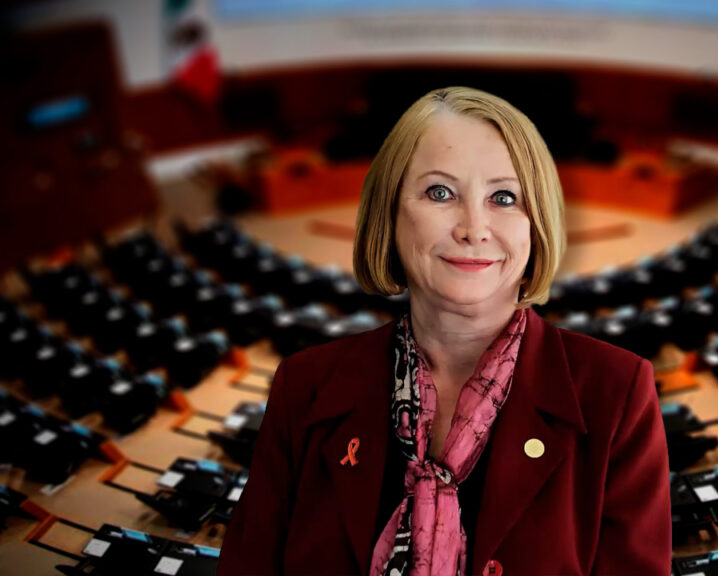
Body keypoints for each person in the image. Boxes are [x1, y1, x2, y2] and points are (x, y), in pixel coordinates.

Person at [217, 86, 670, 576]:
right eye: (440, 193)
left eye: (504, 198)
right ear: (390, 213)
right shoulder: (303, 387)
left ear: (537, 223)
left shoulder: (617, 393)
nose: (473, 228)